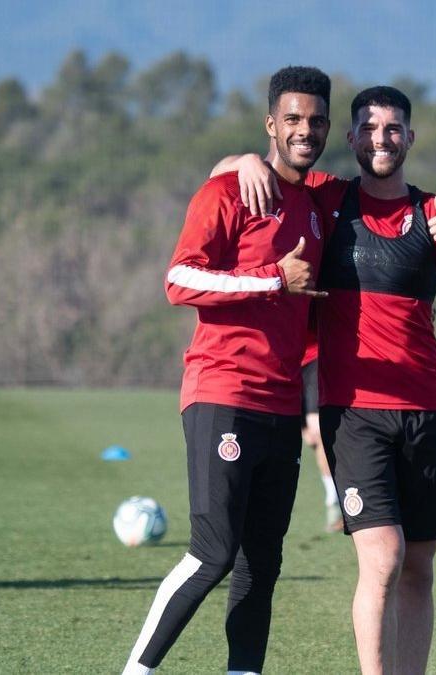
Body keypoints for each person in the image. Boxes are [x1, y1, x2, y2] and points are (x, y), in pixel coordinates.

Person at [216, 85, 436, 674]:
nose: (380, 139)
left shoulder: (433, 211)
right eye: (368, 128)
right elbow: (233, 172)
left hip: (427, 411)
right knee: (383, 557)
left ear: (409, 138)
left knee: (419, 567)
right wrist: (245, 161)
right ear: (352, 137)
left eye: (392, 130)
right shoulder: (327, 197)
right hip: (354, 413)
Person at [121, 66, 331, 675]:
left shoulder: (316, 203)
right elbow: (178, 279)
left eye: (316, 121)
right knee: (212, 554)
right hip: (223, 393)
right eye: (292, 119)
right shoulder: (230, 192)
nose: (304, 130)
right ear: (271, 123)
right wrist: (271, 280)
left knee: (260, 563)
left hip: (282, 407)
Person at [302, 333, 344, 532]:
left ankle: (334, 503)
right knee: (310, 438)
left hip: (316, 360)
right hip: (281, 361)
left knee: (320, 434)